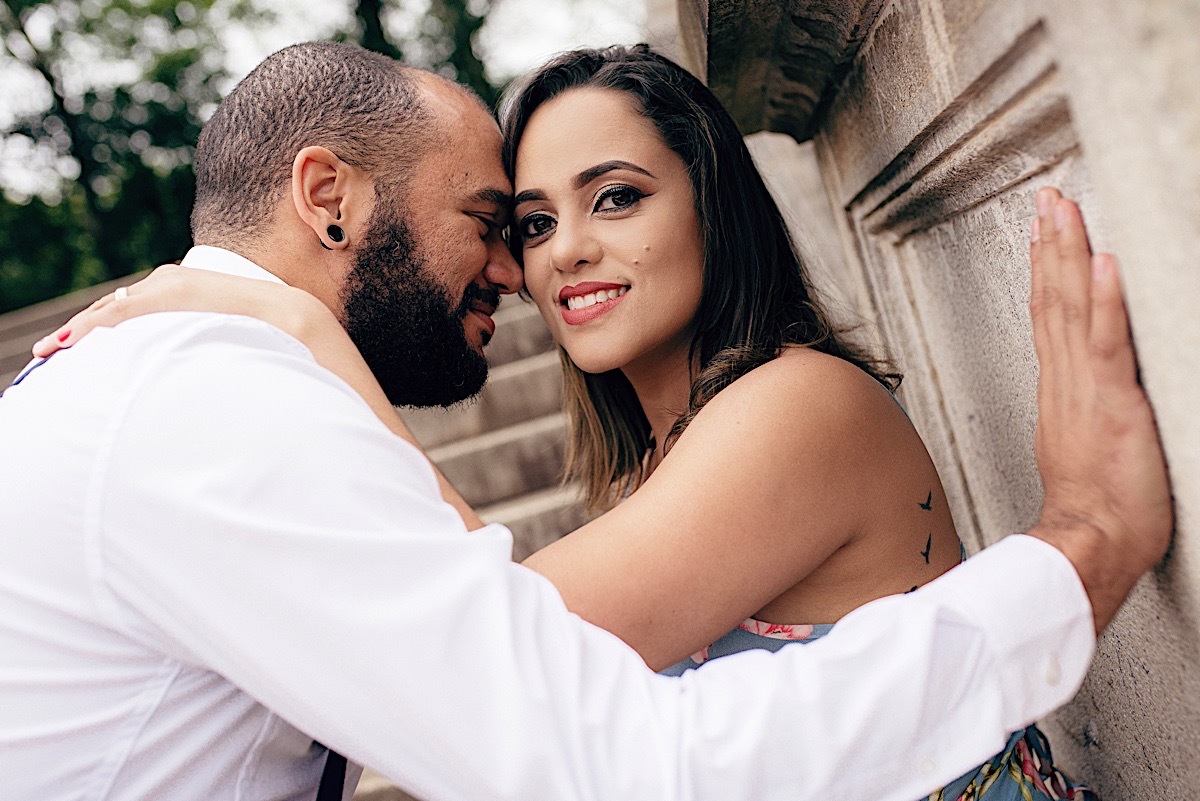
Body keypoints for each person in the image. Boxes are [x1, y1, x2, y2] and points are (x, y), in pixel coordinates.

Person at [3, 41, 1169, 801]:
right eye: (515, 217)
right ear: (327, 200)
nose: (544, 260)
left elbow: (510, 663)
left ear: (712, 201)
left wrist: (319, 351)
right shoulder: (212, 403)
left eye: (614, 196)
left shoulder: (793, 407)